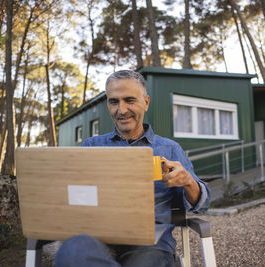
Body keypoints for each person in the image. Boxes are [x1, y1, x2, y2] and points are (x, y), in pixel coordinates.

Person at [55, 70, 211, 267]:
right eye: (114, 102)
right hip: (97, 240)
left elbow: (203, 205)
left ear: (145, 102)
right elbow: (72, 199)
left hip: (150, 245)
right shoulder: (90, 146)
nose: (121, 110)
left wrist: (188, 182)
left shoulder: (170, 149)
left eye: (129, 100)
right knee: (73, 250)